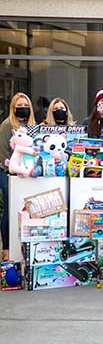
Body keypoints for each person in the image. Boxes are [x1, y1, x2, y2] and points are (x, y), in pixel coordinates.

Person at [0, 92, 36, 261]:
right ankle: (7, 247)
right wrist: (14, 171)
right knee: (10, 208)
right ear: (13, 108)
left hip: (28, 173)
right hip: (9, 173)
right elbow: (3, 154)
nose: (23, 109)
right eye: (19, 106)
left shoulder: (33, 126)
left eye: (26, 106)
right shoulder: (7, 125)